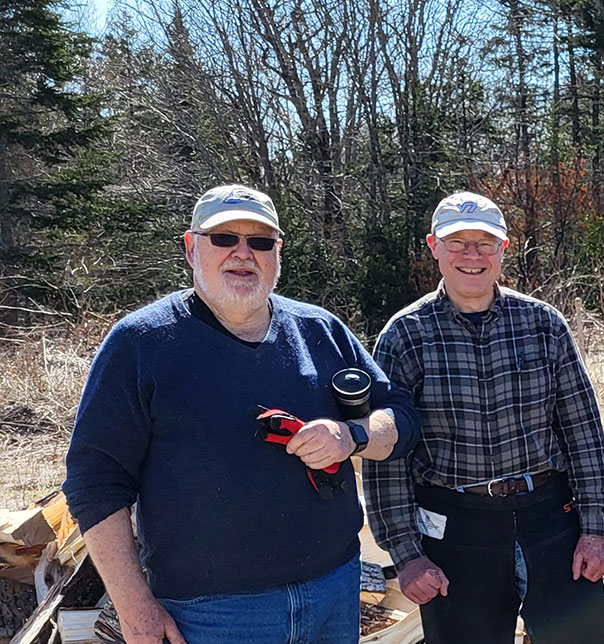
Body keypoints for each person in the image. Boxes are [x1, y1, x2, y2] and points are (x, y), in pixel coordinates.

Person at [64, 184, 419, 644]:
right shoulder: (141, 343)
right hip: (212, 613)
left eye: (260, 241)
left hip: (334, 589)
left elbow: (400, 417)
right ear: (192, 248)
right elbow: (95, 482)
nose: (242, 253)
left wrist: (350, 434)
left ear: (278, 252)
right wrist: (134, 609)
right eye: (224, 238)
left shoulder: (319, 330)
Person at [362, 192, 604, 643]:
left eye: (485, 243)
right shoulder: (406, 335)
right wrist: (406, 554)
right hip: (455, 529)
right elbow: (388, 457)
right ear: (434, 247)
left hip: (550, 518)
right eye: (458, 243)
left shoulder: (542, 324)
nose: (472, 256)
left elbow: (582, 431)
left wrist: (594, 529)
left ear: (504, 249)